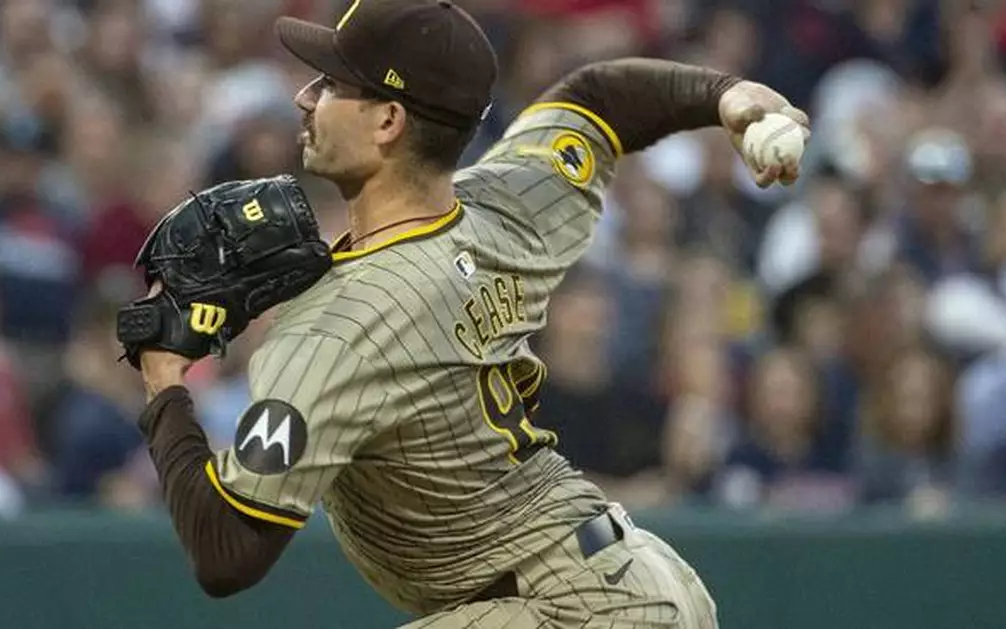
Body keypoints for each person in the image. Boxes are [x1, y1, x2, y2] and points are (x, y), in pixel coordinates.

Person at [132, 1, 808, 627]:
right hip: (644, 578)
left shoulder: (337, 328)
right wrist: (725, 93)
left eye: (334, 84)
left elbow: (227, 553)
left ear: (389, 121)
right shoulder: (510, 202)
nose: (306, 97)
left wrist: (165, 382)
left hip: (566, 608)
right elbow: (596, 99)